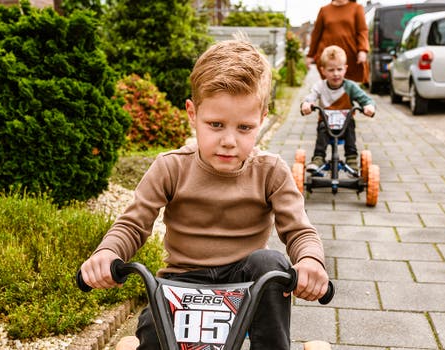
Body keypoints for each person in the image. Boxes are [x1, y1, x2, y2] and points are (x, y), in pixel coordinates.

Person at [80, 38, 329, 350]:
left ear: (261, 120)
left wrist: (309, 261)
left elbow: (299, 229)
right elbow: (133, 224)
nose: (228, 140)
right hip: (184, 282)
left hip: (247, 286)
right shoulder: (170, 168)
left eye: (244, 128)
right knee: (150, 326)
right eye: (215, 124)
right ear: (192, 114)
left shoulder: (271, 171)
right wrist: (107, 253)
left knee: (271, 263)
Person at [301, 45, 375, 174]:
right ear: (323, 70)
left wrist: (369, 106)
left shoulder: (350, 86)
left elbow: (365, 99)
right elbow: (311, 96)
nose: (336, 74)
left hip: (345, 124)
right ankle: (318, 158)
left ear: (345, 69)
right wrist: (307, 104)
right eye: (331, 70)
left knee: (351, 127)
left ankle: (351, 159)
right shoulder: (320, 86)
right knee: (322, 129)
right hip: (326, 124)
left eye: (339, 69)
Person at [306, 0, 370, 84]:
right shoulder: (324, 10)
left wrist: (362, 50)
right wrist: (310, 55)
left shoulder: (357, 8)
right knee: (331, 90)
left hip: (350, 58)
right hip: (329, 59)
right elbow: (316, 34)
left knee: (349, 91)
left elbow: (362, 31)